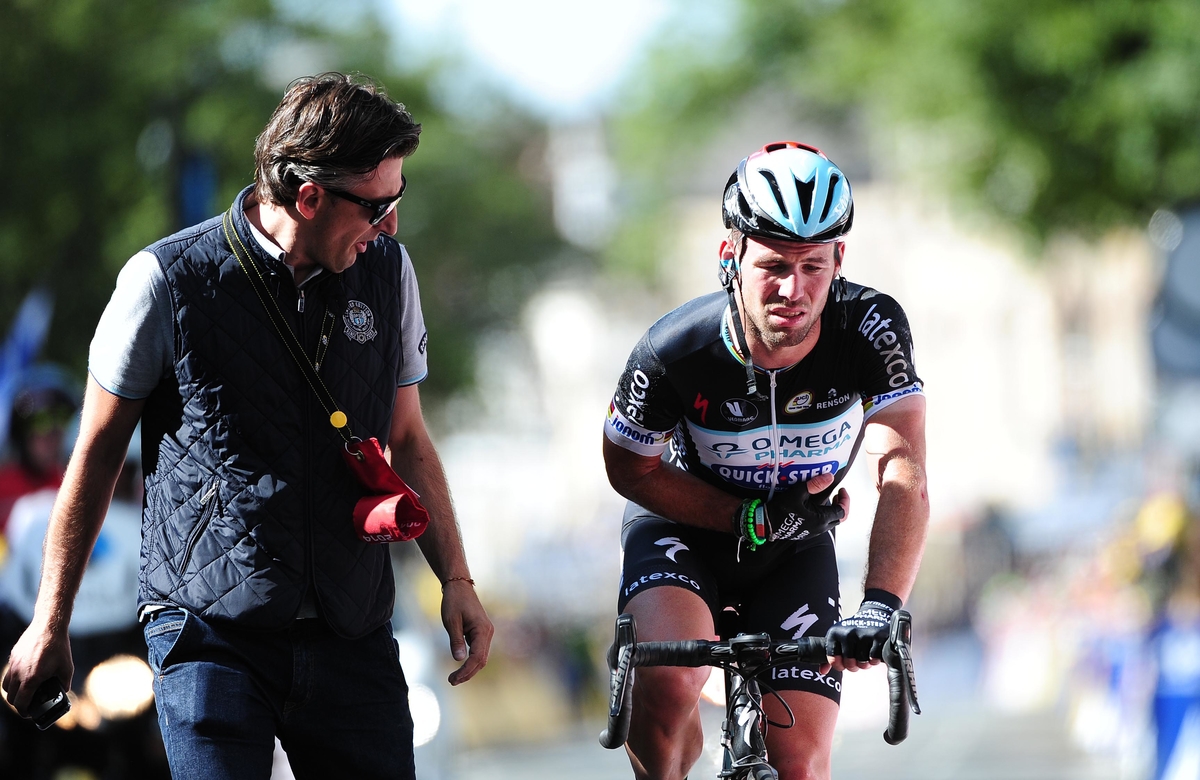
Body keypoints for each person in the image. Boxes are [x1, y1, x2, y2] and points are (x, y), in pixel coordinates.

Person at [2, 72, 493, 779]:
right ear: (310, 195)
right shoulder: (162, 282)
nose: (391, 225)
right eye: (377, 205)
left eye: (398, 198)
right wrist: (50, 622)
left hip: (351, 627)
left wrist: (458, 581)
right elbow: (96, 454)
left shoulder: (390, 272)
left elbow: (408, 439)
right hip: (208, 631)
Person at [603, 141, 929, 780]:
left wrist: (883, 603)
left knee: (800, 765)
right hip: (681, 533)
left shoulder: (871, 328)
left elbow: (904, 471)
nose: (794, 289)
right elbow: (627, 469)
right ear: (732, 256)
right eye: (774, 265)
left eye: (813, 265)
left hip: (795, 547)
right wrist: (742, 516)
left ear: (840, 258)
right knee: (668, 687)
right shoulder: (675, 350)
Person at [0, 370, 77, 534]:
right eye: (41, 423)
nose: (52, 438)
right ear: (22, 432)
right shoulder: (3, 484)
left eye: (60, 426)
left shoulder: (71, 487)